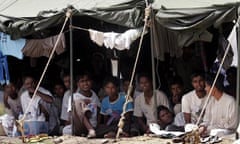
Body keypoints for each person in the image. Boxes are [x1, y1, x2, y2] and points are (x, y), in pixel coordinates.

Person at [63, 72, 101, 138]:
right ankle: (90, 130)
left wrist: (97, 125)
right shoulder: (74, 96)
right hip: (80, 126)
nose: (85, 83)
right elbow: (71, 116)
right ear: (78, 84)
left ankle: (92, 130)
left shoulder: (94, 95)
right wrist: (82, 107)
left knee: (110, 128)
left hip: (94, 126)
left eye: (87, 81)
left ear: (91, 82)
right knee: (66, 130)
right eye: (82, 81)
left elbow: (99, 111)